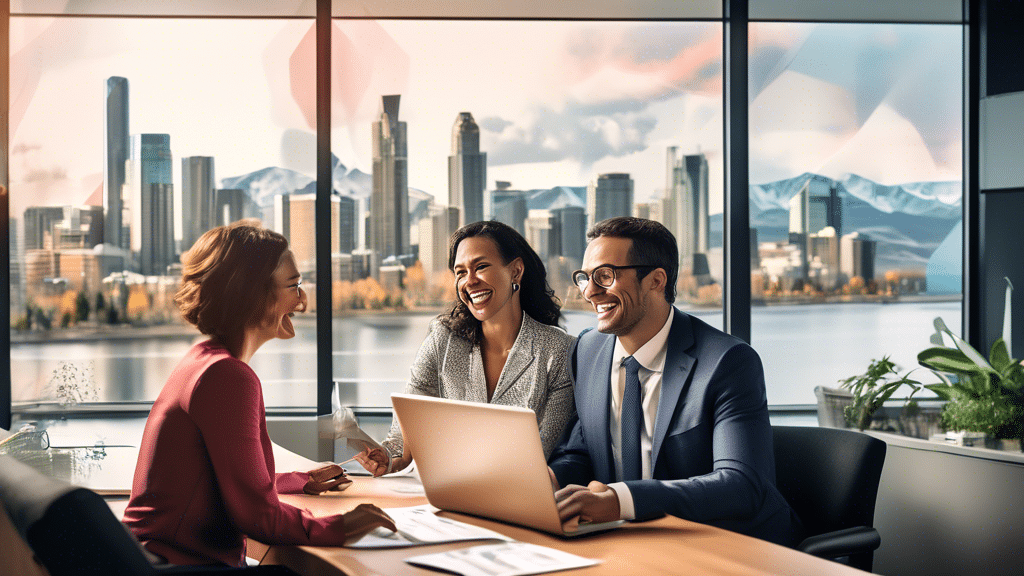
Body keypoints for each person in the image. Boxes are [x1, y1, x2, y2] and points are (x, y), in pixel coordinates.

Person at [123, 221, 395, 567]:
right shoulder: (227, 377)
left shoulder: (201, 360)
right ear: (251, 294)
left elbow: (224, 481)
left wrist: (298, 481)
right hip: (179, 567)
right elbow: (257, 517)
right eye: (294, 286)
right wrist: (341, 526)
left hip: (151, 560)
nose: (304, 301)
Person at [547, 217, 802, 547]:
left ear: (655, 280)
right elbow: (584, 450)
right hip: (625, 543)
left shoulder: (727, 362)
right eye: (585, 277)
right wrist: (549, 480)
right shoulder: (587, 350)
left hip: (724, 545)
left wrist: (619, 500)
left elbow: (742, 484)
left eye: (605, 276)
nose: (590, 291)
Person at [355, 221, 575, 476]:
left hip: (519, 497)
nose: (469, 281)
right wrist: (389, 457)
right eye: (460, 272)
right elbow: (406, 425)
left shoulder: (558, 350)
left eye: (480, 267)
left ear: (515, 272)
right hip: (447, 493)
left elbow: (543, 450)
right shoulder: (443, 339)